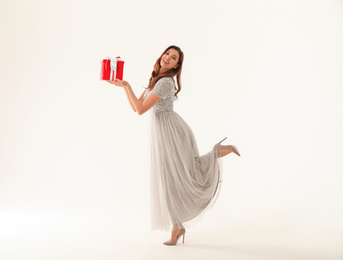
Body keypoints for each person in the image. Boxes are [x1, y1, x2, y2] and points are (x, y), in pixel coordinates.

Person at [107, 45, 240, 246]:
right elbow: (136, 108)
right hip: (163, 132)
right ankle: (177, 226)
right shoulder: (156, 80)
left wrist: (127, 87)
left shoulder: (165, 83)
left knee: (184, 173)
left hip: (172, 132)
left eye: (174, 57)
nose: (168, 57)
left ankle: (220, 150)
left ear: (177, 65)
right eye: (167, 53)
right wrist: (125, 86)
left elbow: (142, 109)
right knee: (168, 180)